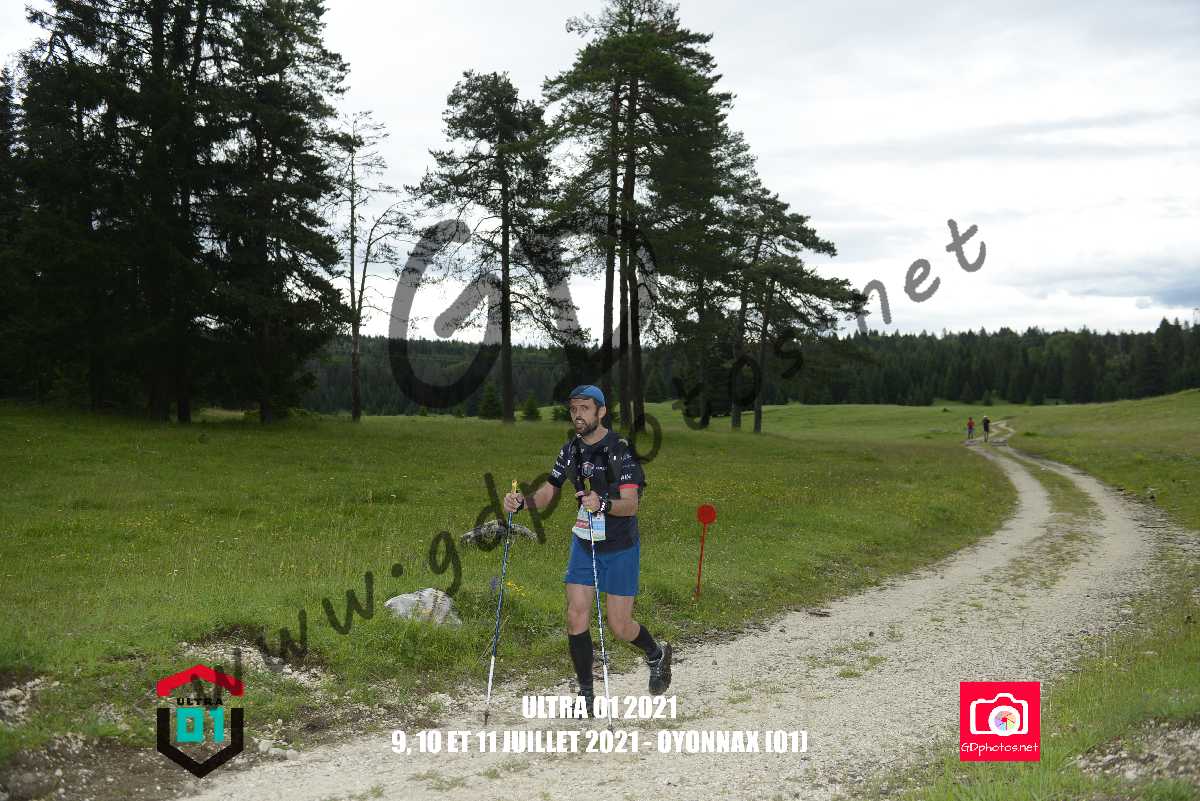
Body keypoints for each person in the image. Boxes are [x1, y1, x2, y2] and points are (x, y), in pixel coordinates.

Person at [502, 384, 671, 714]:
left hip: (620, 546)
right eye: (573, 409)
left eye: (585, 408)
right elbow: (549, 490)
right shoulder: (570, 451)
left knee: (620, 625)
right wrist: (523, 502)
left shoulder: (621, 450)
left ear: (601, 412)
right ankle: (586, 697)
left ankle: (656, 654)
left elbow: (631, 504)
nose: (578, 415)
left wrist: (603, 503)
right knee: (575, 615)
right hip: (585, 542)